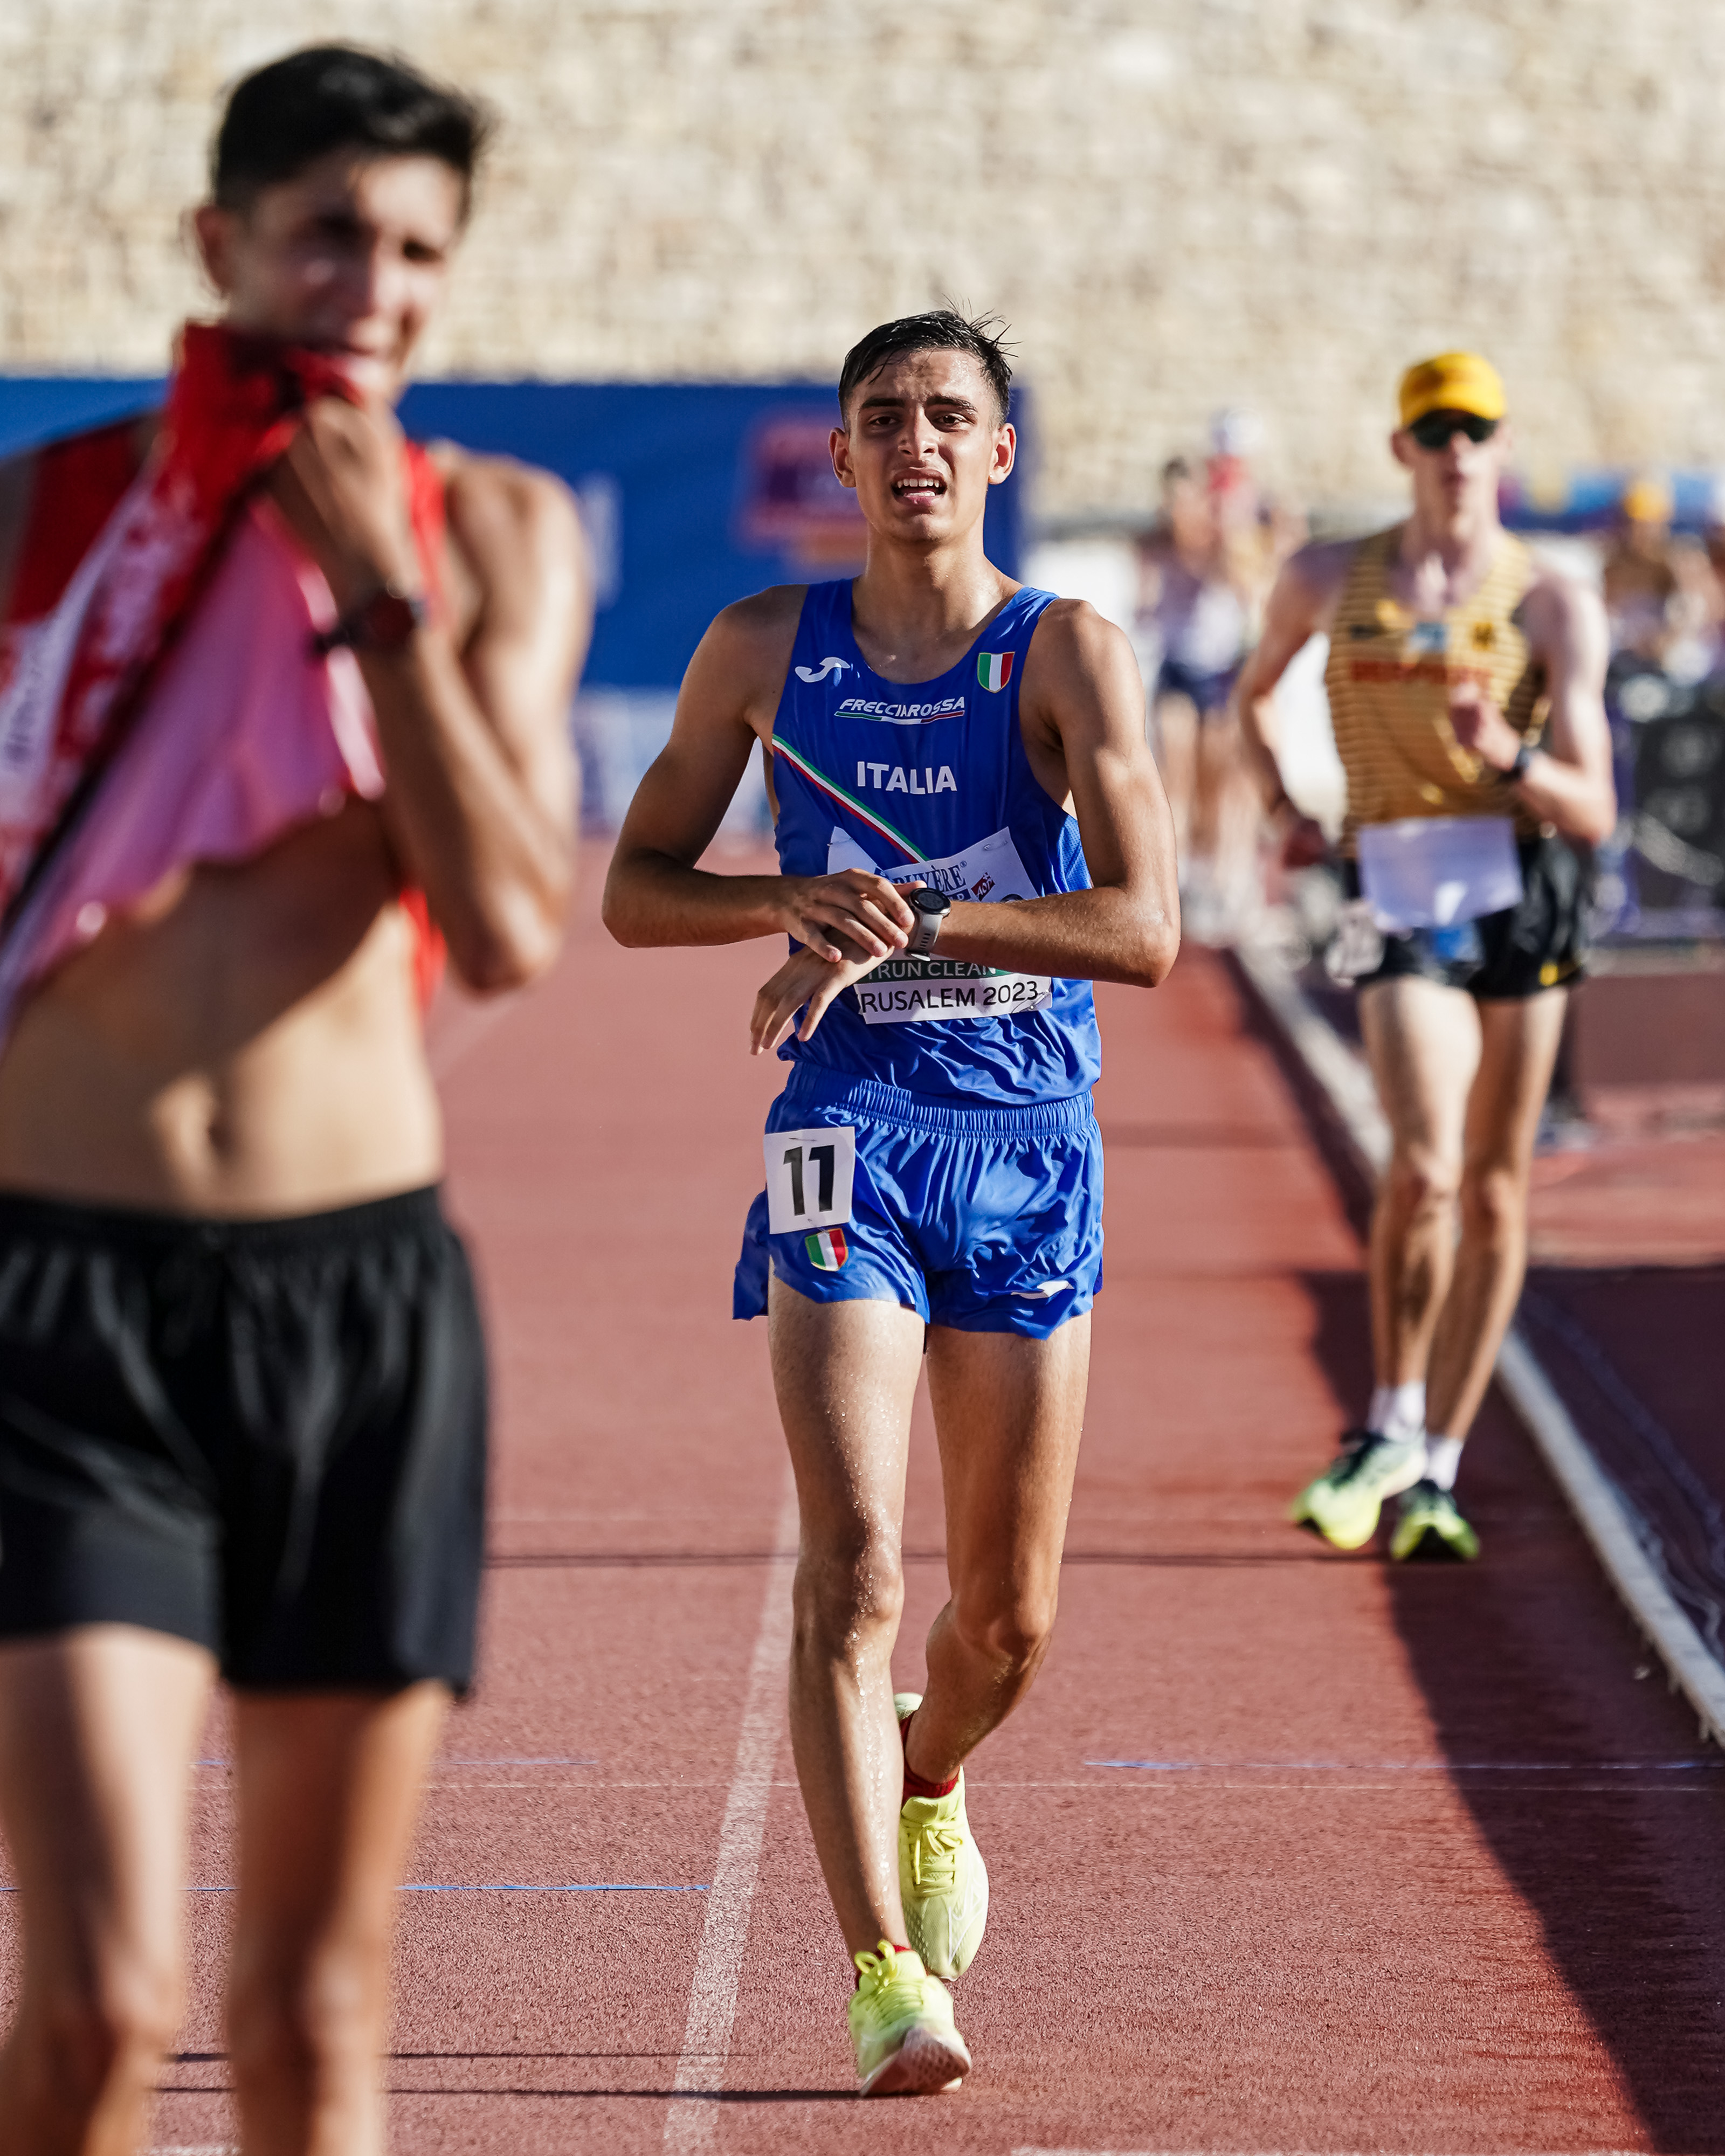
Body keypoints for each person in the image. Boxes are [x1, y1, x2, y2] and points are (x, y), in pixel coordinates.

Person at [0, 46, 590, 2154]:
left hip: (359, 1314)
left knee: (315, 2019)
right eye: (329, 232)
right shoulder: (46, 517)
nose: (374, 284)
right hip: (65, 1309)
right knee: (99, 2005)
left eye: (418, 248)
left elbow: (505, 921)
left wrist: (375, 597)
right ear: (220, 241)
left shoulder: (494, 532)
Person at [603, 310, 1177, 2093]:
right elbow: (634, 888)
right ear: (842, 457)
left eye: (946, 415)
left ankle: (929, 1772)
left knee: (1007, 1622)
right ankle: (883, 1981)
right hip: (846, 1126)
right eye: (882, 417)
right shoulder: (763, 649)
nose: (914, 442)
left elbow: (1147, 929)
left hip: (1028, 1138)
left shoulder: (1063, 653)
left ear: (998, 452)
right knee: (853, 1568)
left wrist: (913, 917)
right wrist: (781, 906)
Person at [1234, 351, 1613, 1561]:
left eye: (1476, 431)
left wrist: (1507, 754)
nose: (1457, 452)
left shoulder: (1550, 602)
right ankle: (1391, 1419)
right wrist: (1284, 808)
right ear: (1401, 449)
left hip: (1522, 893)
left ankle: (1440, 1466)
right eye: (1436, 431)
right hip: (1392, 887)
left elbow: (1595, 805)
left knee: (1497, 1190)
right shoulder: (1327, 578)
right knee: (1428, 1169)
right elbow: (1252, 697)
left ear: (1500, 448)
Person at [1135, 455, 1255, 936]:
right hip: (1177, 667)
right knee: (1174, 770)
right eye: (1171, 501)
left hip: (1219, 672)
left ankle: (1210, 872)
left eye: (1185, 499)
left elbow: (1246, 592)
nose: (1177, 510)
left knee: (1213, 780)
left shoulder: (1219, 541)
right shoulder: (1153, 542)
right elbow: (1144, 601)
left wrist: (1224, 547)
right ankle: (1176, 873)